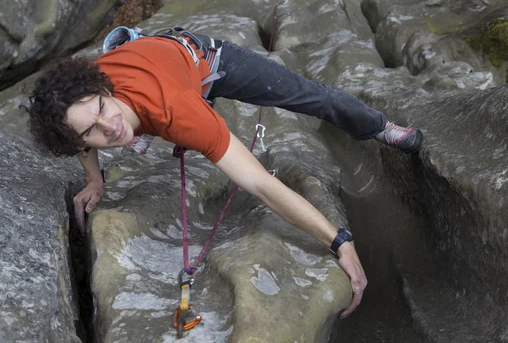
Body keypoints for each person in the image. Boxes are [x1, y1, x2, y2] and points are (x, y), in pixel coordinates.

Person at [25, 28, 423, 318]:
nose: (106, 127)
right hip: (154, 60)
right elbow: (81, 140)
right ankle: (138, 113)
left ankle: (379, 126)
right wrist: (95, 180)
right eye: (90, 130)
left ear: (105, 90)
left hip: (206, 59)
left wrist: (340, 242)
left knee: (309, 96)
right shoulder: (86, 109)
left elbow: (260, 184)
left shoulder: (179, 111)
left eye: (101, 108)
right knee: (112, 131)